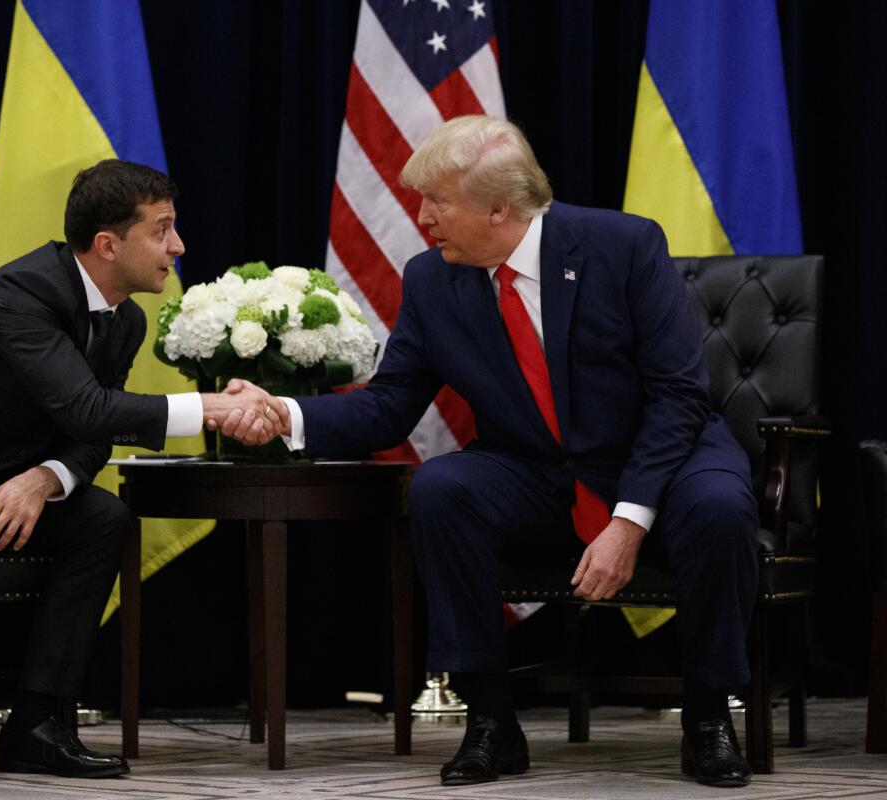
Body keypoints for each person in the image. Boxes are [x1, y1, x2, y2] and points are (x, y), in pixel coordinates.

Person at [263, 116, 758, 787]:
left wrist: (628, 520)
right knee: (441, 488)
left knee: (720, 505)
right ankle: (491, 722)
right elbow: (387, 408)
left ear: (500, 208)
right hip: (535, 467)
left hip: (662, 457)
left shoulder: (623, 245)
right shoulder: (432, 280)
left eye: (437, 201)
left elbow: (677, 396)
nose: (422, 216)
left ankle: (707, 719)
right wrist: (280, 414)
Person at [0, 159, 287, 786]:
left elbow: (90, 432)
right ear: (108, 244)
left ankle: (36, 724)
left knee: (104, 518)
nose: (179, 246)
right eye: (164, 229)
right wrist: (212, 408)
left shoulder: (127, 319)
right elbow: (86, 407)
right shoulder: (22, 291)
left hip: (1, 474)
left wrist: (48, 477)